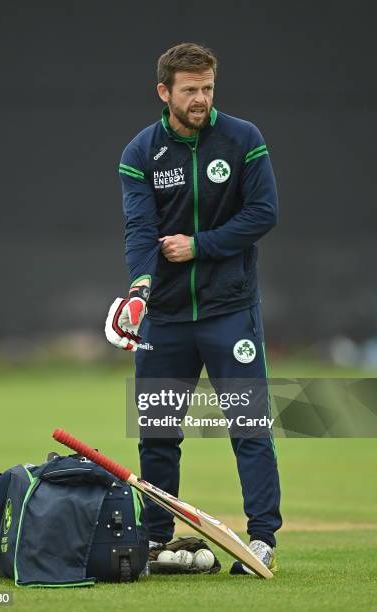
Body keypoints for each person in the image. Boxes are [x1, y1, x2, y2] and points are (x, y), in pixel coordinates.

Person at [105, 42, 282, 575]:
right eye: (190, 90)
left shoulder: (243, 139)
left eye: (207, 88)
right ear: (165, 93)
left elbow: (264, 213)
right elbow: (140, 231)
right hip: (165, 317)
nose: (201, 98)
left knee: (249, 425)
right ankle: (157, 540)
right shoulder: (140, 153)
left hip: (231, 310)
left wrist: (199, 245)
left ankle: (261, 540)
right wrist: (138, 291)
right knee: (158, 432)